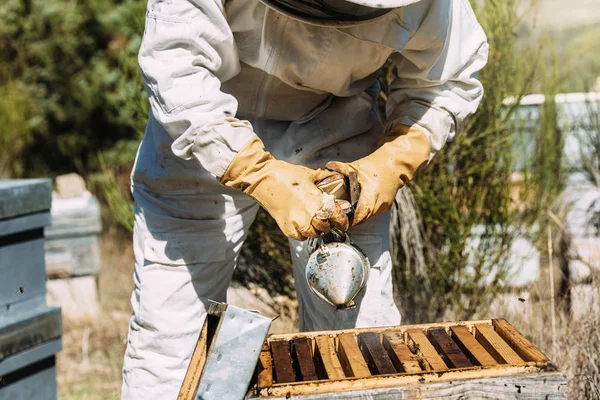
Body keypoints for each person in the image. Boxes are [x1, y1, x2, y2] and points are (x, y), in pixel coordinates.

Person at [122, 0, 488, 396]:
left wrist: (392, 160)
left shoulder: (435, 6)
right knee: (171, 333)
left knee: (358, 338)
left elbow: (447, 80)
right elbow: (175, 63)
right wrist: (253, 169)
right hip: (204, 122)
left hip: (335, 125)